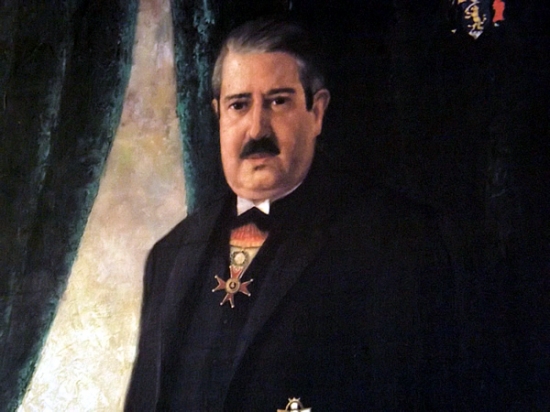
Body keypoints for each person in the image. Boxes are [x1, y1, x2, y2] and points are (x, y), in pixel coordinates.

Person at [125, 18, 456, 411]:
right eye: (239, 105)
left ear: (317, 112)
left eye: (278, 101)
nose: (256, 129)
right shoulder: (169, 256)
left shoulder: (396, 240)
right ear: (218, 115)